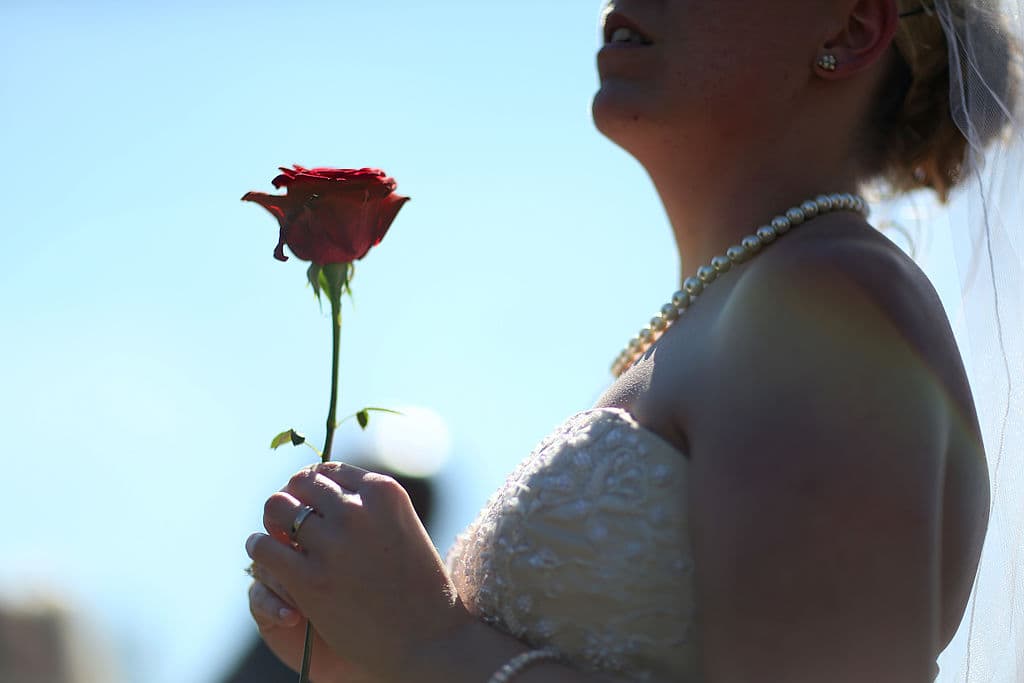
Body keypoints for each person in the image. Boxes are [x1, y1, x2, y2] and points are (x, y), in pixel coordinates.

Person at [244, 1, 1024, 681]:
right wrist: (369, 655)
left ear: (850, 28)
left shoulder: (835, 296)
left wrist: (427, 641)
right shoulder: (726, 312)